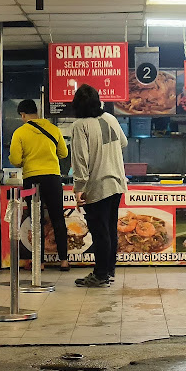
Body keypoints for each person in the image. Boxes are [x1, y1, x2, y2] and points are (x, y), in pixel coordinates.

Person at [70, 84, 127, 288]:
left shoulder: (80, 126)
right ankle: (108, 270)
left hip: (98, 186)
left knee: (100, 231)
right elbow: (124, 142)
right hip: (117, 183)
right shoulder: (110, 118)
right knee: (109, 229)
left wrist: (79, 188)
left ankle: (101, 274)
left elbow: (80, 160)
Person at [8, 99, 70, 271]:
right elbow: (63, 153)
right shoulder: (53, 128)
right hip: (53, 177)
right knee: (58, 218)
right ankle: (64, 261)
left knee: (36, 220)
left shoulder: (20, 133)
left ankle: (39, 262)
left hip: (32, 179)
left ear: (22, 114)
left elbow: (15, 160)